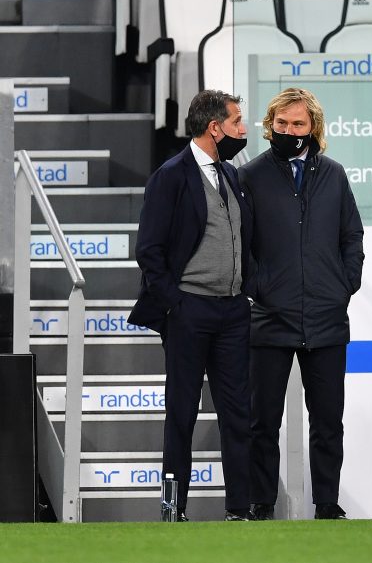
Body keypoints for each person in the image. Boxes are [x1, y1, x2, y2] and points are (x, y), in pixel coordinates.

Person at [239, 88, 364, 521]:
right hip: (269, 317)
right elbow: (241, 245)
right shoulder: (250, 176)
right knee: (262, 422)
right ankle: (261, 503)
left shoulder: (334, 174)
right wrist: (259, 288)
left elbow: (352, 236)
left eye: (298, 124)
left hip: (327, 316)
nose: (289, 131)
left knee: (328, 422)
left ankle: (326, 505)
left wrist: (345, 284)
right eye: (282, 124)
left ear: (314, 128)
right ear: (270, 126)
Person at [129, 90, 253, 521]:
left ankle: (240, 507)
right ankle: (173, 507)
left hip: (234, 311)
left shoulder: (231, 174)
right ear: (214, 127)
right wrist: (175, 305)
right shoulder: (171, 176)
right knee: (182, 411)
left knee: (239, 414)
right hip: (190, 311)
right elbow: (149, 250)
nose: (243, 130)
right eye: (237, 121)